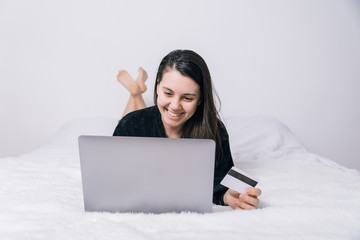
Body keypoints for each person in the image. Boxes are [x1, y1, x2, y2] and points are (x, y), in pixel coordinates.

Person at [113, 49, 262, 210]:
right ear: (157, 87)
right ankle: (135, 93)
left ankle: (135, 92)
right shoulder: (130, 125)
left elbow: (220, 181)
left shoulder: (215, 130)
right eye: (168, 93)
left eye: (187, 98)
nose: (175, 106)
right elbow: (112, 178)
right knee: (134, 113)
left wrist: (228, 196)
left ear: (200, 100)